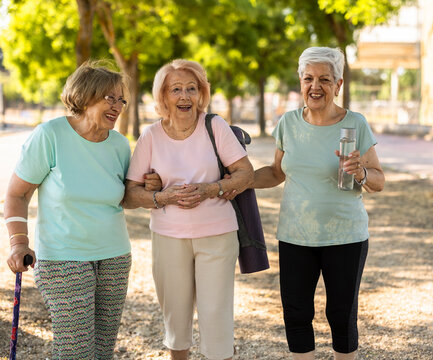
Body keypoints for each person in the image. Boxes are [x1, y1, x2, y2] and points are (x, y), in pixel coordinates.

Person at [4, 60, 157, 359]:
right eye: (109, 97)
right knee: (75, 350)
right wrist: (18, 243)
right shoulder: (50, 135)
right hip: (63, 258)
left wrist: (152, 185)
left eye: (121, 99)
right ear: (85, 96)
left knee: (102, 350)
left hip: (114, 257)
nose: (117, 105)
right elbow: (17, 193)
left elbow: (125, 196)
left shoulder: (119, 145)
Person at [253, 47, 385, 360]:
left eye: (324, 79)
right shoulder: (288, 123)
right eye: (308, 78)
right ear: (300, 81)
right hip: (295, 235)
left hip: (346, 236)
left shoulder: (355, 124)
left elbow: (379, 181)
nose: (315, 86)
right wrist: (235, 181)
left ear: (338, 84)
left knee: (341, 315)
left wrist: (362, 172)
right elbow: (275, 173)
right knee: (296, 313)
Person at [122, 59, 254, 360]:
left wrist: (211, 189)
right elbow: (130, 195)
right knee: (175, 318)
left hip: (217, 235)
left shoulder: (215, 126)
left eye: (191, 89)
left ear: (201, 93)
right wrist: (163, 197)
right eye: (176, 89)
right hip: (168, 237)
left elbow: (245, 173)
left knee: (216, 315)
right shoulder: (151, 136)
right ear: (163, 97)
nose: (184, 97)